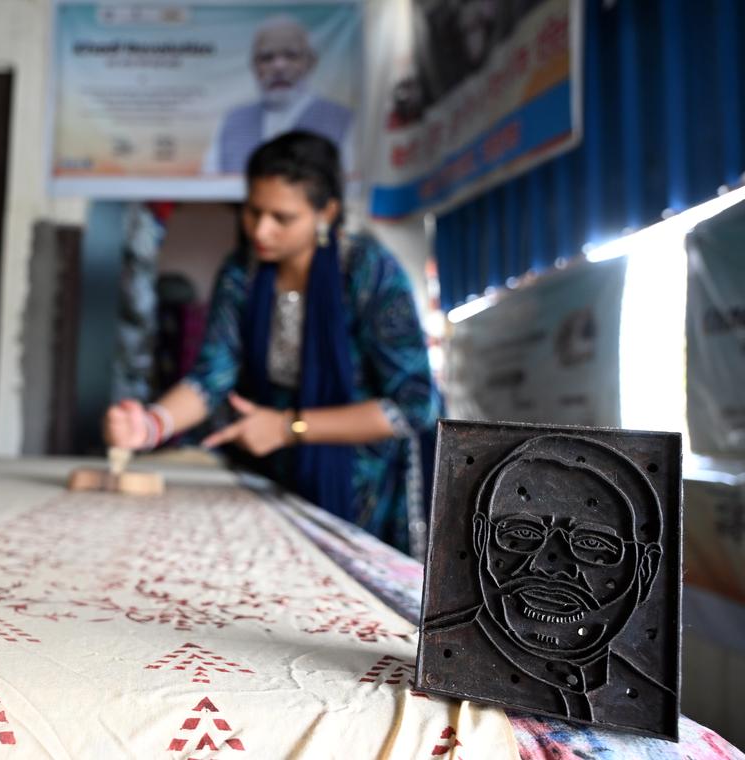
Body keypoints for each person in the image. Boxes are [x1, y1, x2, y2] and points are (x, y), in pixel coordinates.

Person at [108, 131, 439, 555]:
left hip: (362, 485)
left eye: (282, 218)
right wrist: (151, 425)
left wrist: (288, 427)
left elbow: (413, 407)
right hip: (271, 469)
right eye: (252, 212)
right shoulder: (242, 272)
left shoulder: (368, 272)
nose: (261, 230)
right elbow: (214, 375)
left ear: (326, 213)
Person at [421, 433, 672, 733]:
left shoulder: (649, 702)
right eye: (523, 533)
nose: (547, 565)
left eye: (592, 543)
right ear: (480, 539)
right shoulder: (441, 659)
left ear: (645, 568)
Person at [203, 15, 353, 177]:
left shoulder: (342, 120)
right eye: (267, 58)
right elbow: (210, 183)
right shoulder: (232, 121)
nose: (279, 67)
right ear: (255, 66)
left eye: (291, 55)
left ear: (311, 62)